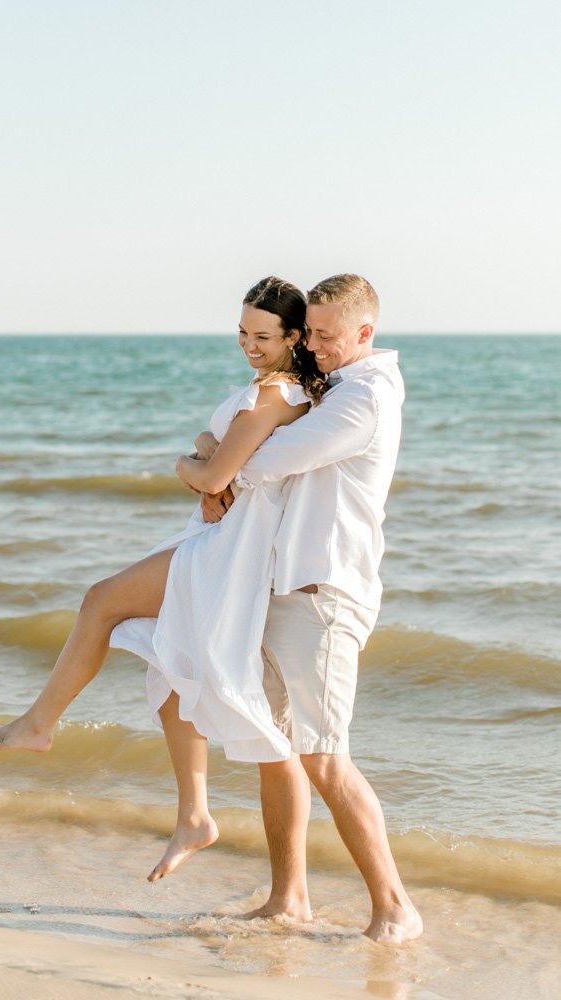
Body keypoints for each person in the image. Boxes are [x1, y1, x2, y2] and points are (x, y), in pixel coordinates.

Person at [0, 275, 326, 879]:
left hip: (230, 549)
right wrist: (205, 453)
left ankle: (38, 724)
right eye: (242, 331)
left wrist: (186, 465)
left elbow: (213, 475)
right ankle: (194, 816)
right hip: (220, 534)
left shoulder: (278, 393)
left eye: (264, 335)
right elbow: (215, 446)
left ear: (295, 336)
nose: (249, 344)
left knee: (102, 601)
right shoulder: (269, 388)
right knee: (168, 666)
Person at [202, 273, 422, 943]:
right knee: (277, 750)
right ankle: (287, 900)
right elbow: (250, 453)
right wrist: (222, 458)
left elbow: (263, 459)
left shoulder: (364, 399)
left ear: (364, 333)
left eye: (328, 337)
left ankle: (394, 908)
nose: (315, 348)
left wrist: (211, 463)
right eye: (311, 333)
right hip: (279, 587)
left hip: (324, 595)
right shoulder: (332, 387)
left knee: (325, 756)